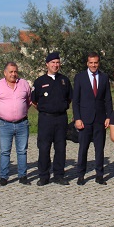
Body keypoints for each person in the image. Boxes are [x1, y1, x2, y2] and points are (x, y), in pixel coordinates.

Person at [31, 52, 73, 186]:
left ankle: (59, 175)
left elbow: (69, 98)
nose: (55, 65)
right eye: (53, 62)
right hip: (46, 119)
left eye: (57, 62)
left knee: (60, 148)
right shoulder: (39, 81)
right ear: (47, 64)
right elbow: (34, 101)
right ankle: (44, 175)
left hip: (61, 118)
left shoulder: (64, 80)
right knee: (44, 148)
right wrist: (46, 110)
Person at [73, 52, 113, 185]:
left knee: (99, 149)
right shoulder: (80, 77)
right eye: (91, 62)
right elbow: (76, 101)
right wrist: (77, 118)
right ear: (87, 63)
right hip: (85, 119)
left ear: (98, 63)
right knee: (83, 148)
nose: (93, 65)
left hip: (100, 119)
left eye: (96, 62)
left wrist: (109, 116)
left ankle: (99, 175)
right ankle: (81, 174)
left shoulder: (104, 77)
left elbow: (107, 99)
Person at [0, 62, 32, 186]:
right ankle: (4, 177)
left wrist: (20, 112)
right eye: (11, 71)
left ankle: (23, 176)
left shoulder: (24, 84)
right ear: (5, 73)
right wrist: (4, 114)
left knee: (22, 151)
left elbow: (29, 101)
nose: (13, 74)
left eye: (15, 71)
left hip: (22, 123)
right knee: (4, 151)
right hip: (5, 124)